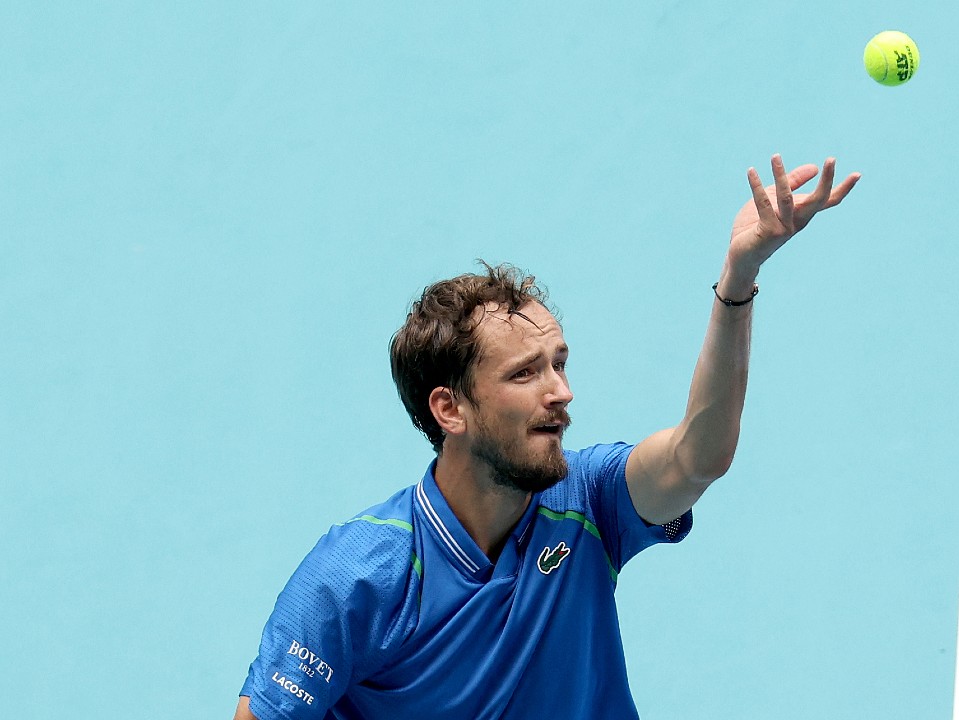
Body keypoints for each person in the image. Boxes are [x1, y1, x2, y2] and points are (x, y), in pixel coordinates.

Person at [234, 155, 859, 720]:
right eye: (524, 374)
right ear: (450, 409)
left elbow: (697, 458)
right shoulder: (357, 578)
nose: (561, 391)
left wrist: (738, 278)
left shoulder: (589, 500)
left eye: (559, 364)